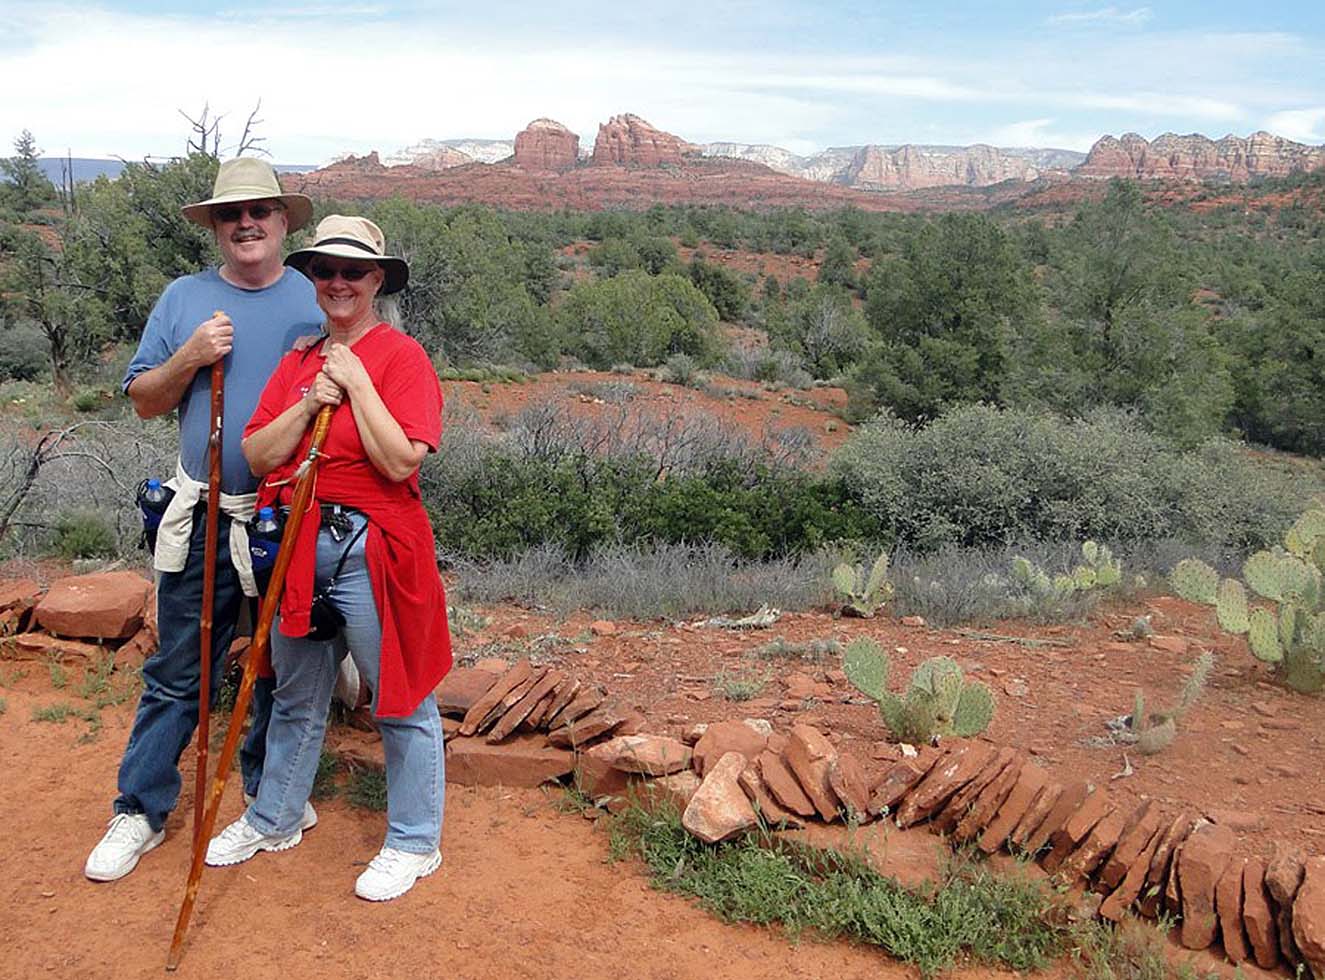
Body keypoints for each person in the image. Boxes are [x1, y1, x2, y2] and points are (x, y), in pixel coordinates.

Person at [85, 159, 324, 882]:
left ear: (284, 221)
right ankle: (141, 809)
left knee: (278, 665)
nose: (246, 224)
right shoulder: (184, 298)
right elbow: (146, 400)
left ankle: (264, 792)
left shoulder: (319, 300)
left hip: (283, 516)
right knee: (176, 667)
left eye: (260, 211)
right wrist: (189, 357)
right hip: (205, 512)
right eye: (230, 215)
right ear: (216, 228)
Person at [205, 215, 452, 902]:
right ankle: (276, 816)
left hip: (371, 547)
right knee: (295, 694)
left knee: (399, 699)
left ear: (377, 280)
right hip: (297, 545)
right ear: (313, 279)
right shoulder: (298, 362)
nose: (338, 282)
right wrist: (311, 399)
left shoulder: (402, 358)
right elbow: (256, 456)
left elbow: (402, 460)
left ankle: (413, 840)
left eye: (354, 272)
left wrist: (358, 384)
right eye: (325, 271)